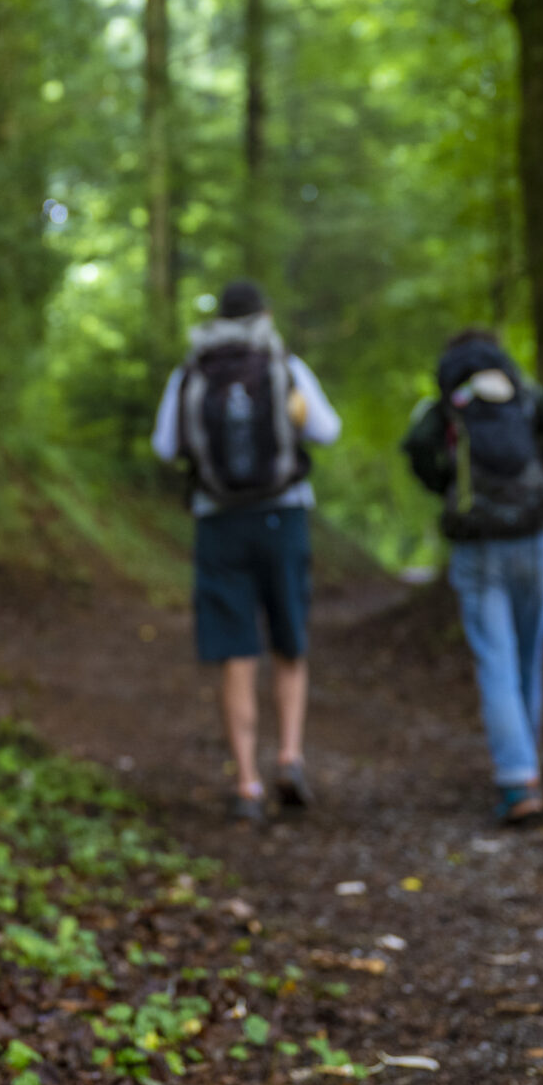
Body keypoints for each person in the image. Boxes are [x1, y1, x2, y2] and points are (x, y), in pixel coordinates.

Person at [152, 280, 343, 821]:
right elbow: (327, 431)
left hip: (218, 523)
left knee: (235, 651)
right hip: (284, 515)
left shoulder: (191, 371)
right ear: (265, 314)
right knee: (289, 641)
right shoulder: (285, 364)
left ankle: (247, 784)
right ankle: (289, 757)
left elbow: (165, 446)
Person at [400, 329, 543, 825]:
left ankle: (518, 777)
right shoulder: (524, 393)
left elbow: (416, 447)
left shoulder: (448, 403)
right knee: (528, 661)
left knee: (496, 664)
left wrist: (446, 485)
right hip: (534, 538)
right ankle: (526, 769)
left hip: (478, 546)